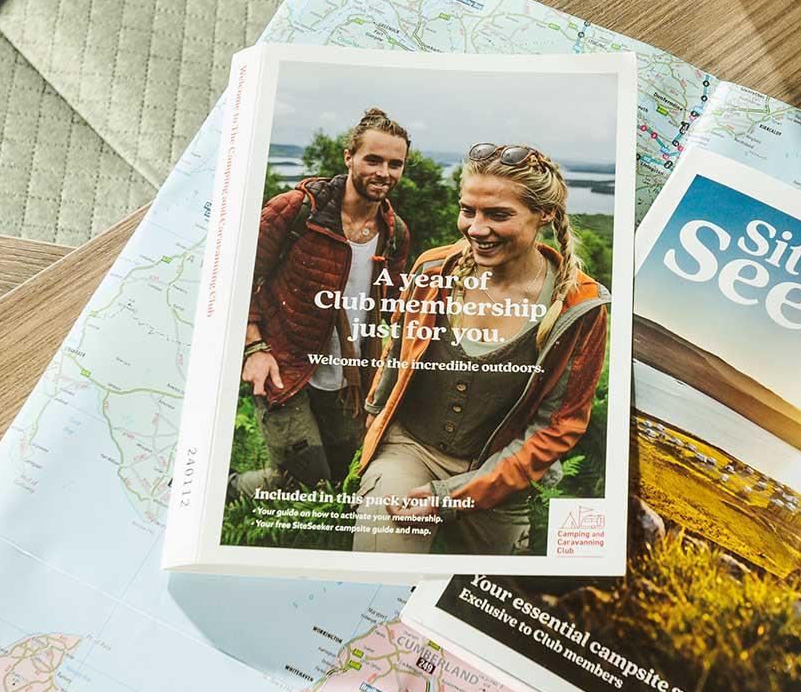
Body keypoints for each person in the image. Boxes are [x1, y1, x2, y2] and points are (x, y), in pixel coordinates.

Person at [353, 142, 610, 554]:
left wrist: (452, 497)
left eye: (498, 214)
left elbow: (557, 427)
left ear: (544, 214)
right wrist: (373, 422)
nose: (476, 228)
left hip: (500, 475)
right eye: (468, 210)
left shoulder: (579, 307)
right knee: (383, 567)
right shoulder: (434, 270)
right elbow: (395, 354)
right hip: (410, 450)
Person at [231, 108, 413, 499]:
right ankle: (222, 491)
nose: (384, 172)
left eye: (395, 164)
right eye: (373, 160)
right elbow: (239, 277)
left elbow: (391, 306)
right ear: (349, 157)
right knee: (307, 486)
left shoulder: (395, 233)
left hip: (347, 380)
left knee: (346, 478)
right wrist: (255, 348)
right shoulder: (296, 210)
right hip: (285, 366)